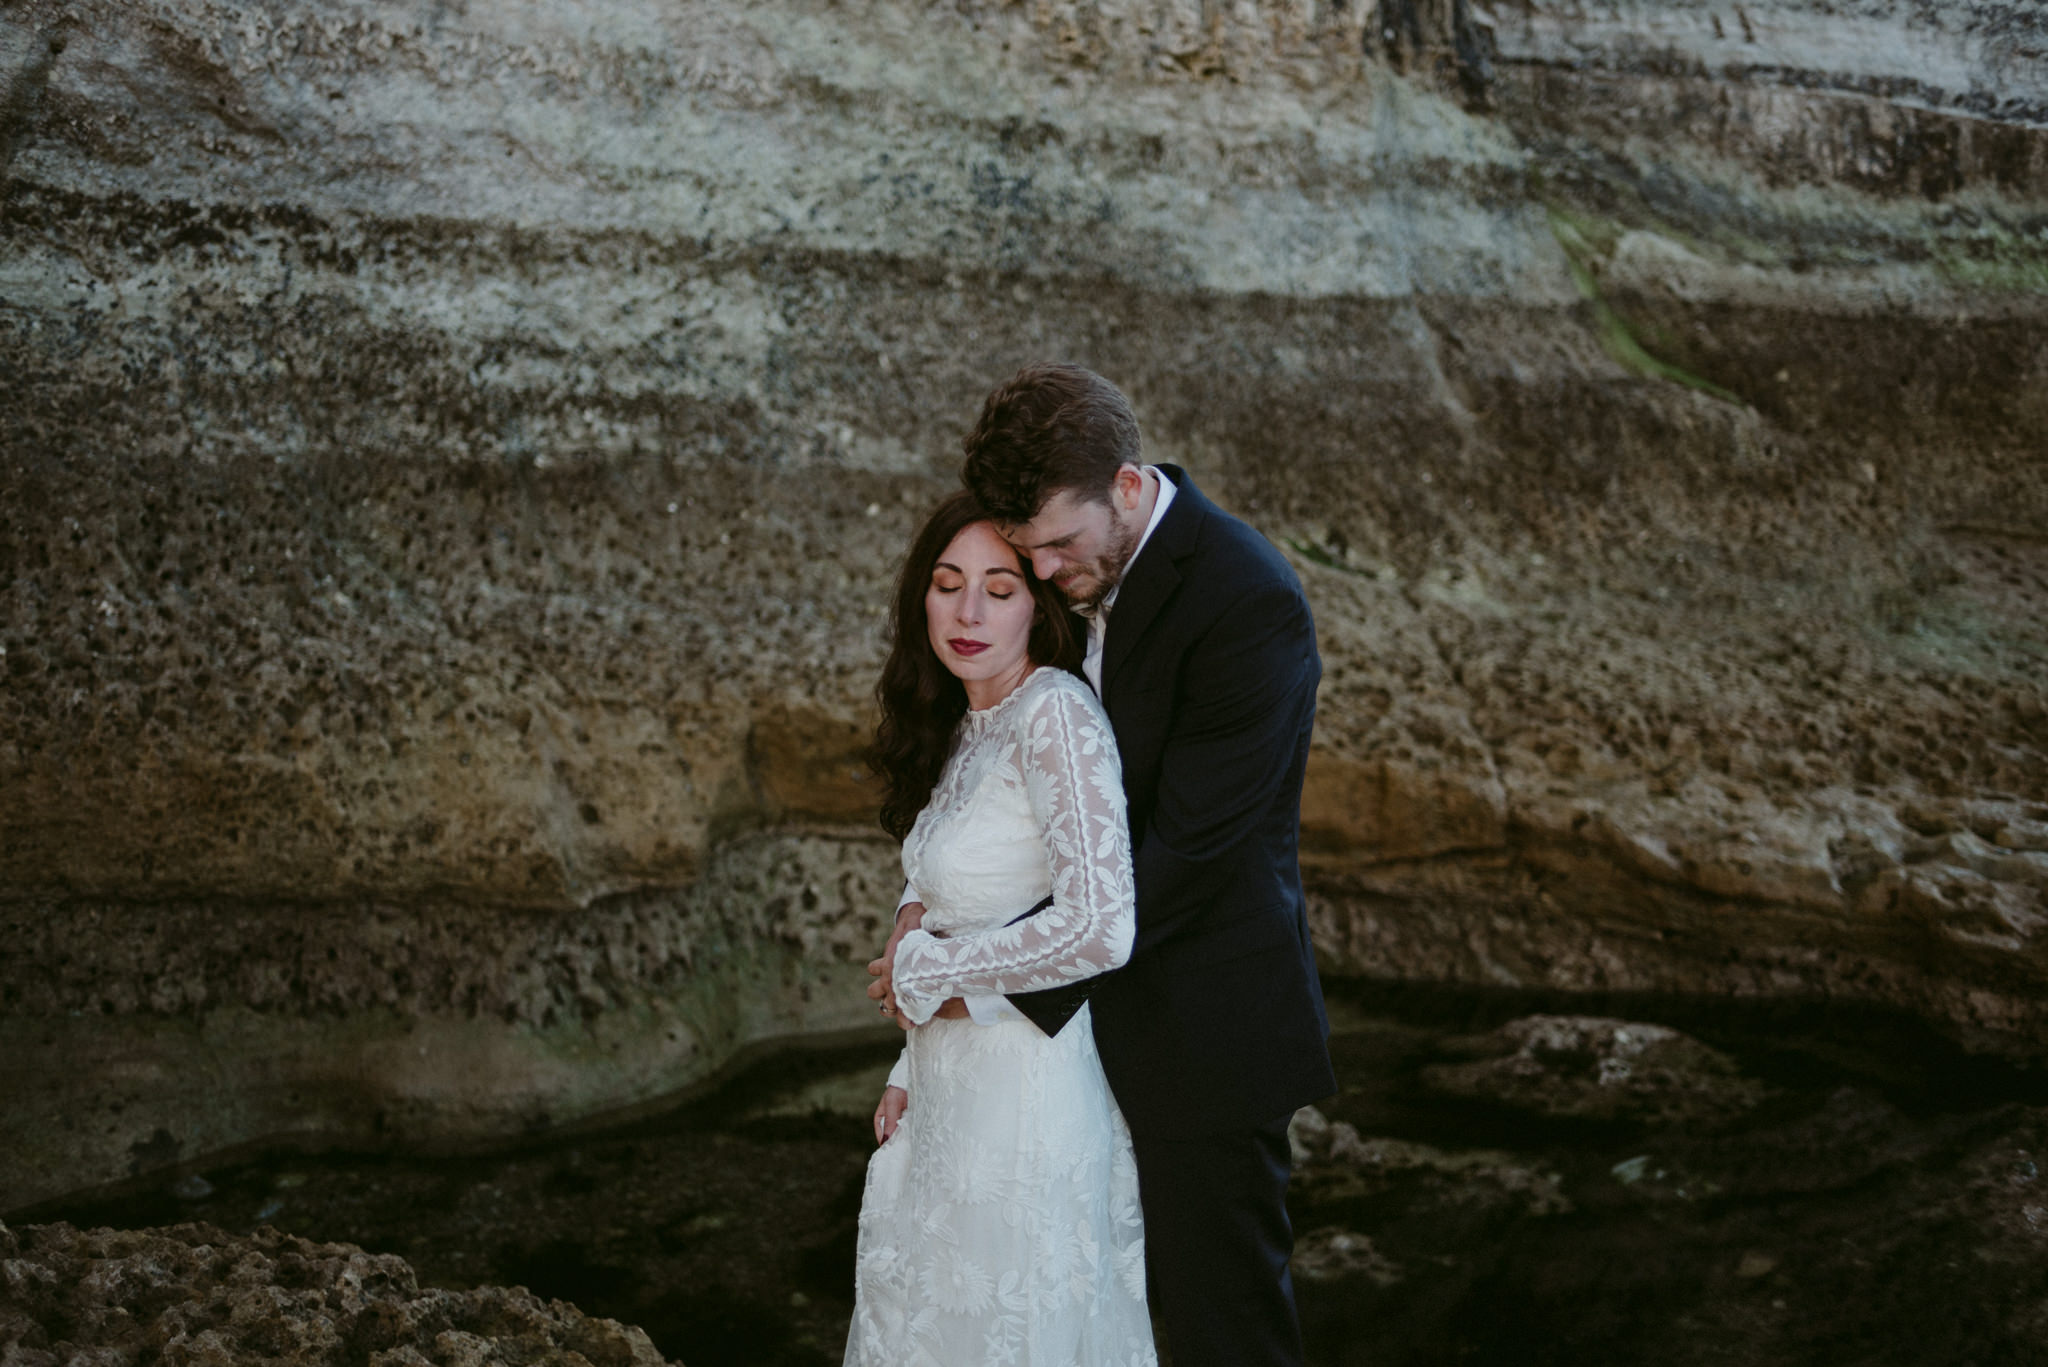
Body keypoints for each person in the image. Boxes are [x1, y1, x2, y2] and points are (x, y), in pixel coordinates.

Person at [873, 363, 1337, 1367]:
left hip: (1198, 1028)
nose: (1039, 573)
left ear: (1126, 487)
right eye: (1022, 553)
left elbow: (1186, 855)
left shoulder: (1247, 601)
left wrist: (976, 981)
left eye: (1053, 547)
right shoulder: (1073, 577)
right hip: (1058, 1054)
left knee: (1222, 1325)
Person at [843, 490, 1158, 1367]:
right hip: (948, 1090)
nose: (969, 612)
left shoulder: (1054, 712)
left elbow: (1101, 926)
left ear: (1040, 604)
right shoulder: (965, 725)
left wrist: (932, 972)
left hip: (1028, 1095)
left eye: (1000, 587)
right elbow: (948, 900)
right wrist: (909, 1058)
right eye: (947, 585)